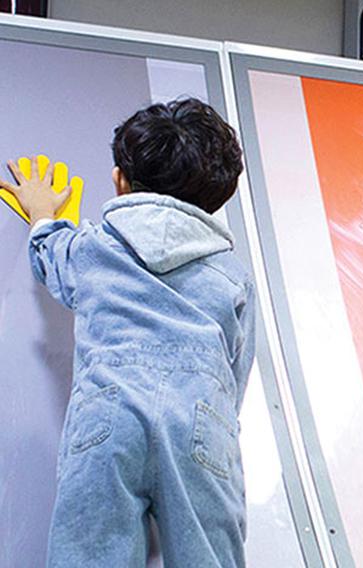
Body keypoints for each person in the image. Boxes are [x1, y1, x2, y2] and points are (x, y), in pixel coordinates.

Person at [0, 98, 255, 567]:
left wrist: (41, 213)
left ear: (120, 181)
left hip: (108, 416)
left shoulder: (95, 248)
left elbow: (49, 254)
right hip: (200, 418)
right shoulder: (231, 275)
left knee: (89, 554)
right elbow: (235, 371)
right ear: (219, 198)